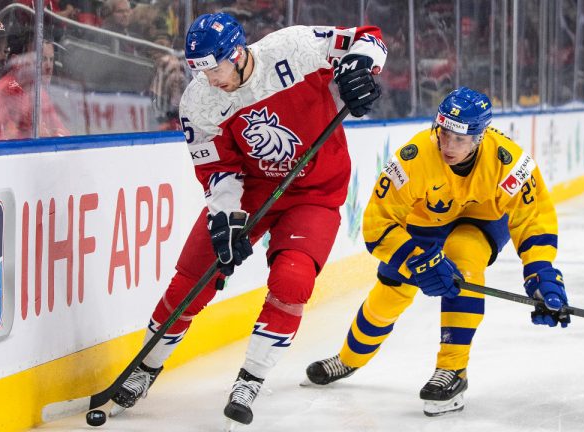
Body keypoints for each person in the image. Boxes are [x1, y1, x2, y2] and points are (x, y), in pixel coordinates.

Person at [109, 11, 387, 428]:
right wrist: (227, 219)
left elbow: (368, 38)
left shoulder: (294, 47)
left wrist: (359, 68)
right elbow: (218, 169)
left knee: (292, 280)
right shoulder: (200, 102)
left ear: (237, 53)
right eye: (199, 70)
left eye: (214, 68)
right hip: (253, 190)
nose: (209, 79)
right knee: (194, 274)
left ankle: (250, 379)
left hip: (315, 191)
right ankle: (144, 368)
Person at [304, 87, 569, 417]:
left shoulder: (509, 161)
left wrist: (541, 272)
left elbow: (533, 218)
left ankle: (452, 370)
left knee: (464, 260)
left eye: (459, 139)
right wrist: (415, 260)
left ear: (479, 137)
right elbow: (376, 222)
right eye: (444, 134)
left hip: (483, 222)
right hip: (425, 224)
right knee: (389, 294)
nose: (448, 146)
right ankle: (348, 359)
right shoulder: (413, 157)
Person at [0, 29, 69, 138]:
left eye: (51, 60)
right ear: (17, 62)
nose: (49, 66)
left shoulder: (38, 91)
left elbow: (63, 132)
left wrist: (53, 133)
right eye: (41, 59)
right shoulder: (4, 91)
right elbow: (7, 139)